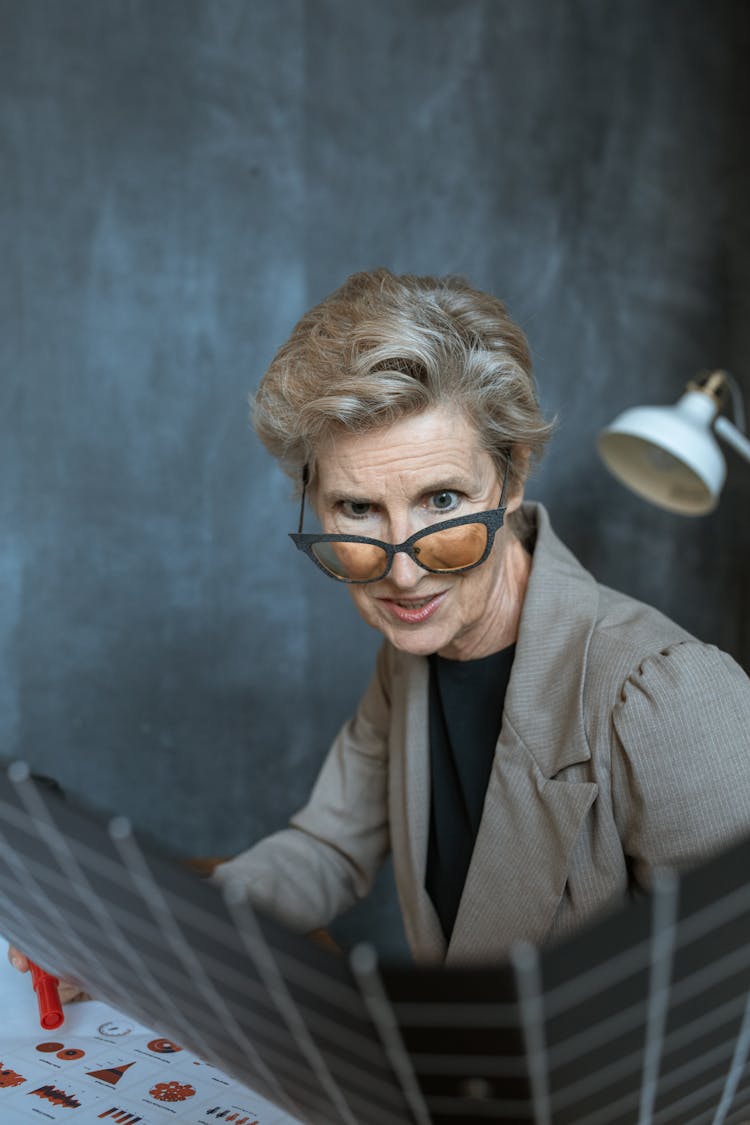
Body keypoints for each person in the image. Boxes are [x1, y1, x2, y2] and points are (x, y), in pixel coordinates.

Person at [8, 269, 750, 981]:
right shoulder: (411, 659)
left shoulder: (673, 696)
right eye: (358, 510)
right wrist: (145, 938)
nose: (402, 573)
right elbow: (327, 849)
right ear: (313, 499)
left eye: (443, 501)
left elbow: (728, 1019)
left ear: (514, 475)